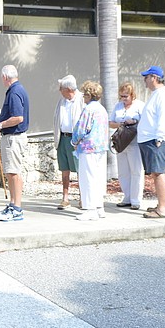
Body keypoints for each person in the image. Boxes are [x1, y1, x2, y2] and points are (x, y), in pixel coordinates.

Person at [0, 64, 30, 222]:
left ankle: (17, 208)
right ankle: (13, 204)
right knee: (10, 172)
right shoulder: (17, 90)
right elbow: (11, 113)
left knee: (13, 172)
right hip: (12, 137)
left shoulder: (14, 92)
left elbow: (18, 117)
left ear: (5, 77)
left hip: (14, 137)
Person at [136, 65, 165, 218]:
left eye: (146, 77)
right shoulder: (156, 94)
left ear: (154, 78)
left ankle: (162, 209)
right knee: (155, 173)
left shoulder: (163, 95)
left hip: (157, 140)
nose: (144, 80)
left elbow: (164, 118)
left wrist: (159, 138)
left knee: (158, 172)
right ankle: (160, 204)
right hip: (150, 139)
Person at [71, 81, 109, 220]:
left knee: (87, 178)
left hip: (88, 148)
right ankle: (99, 207)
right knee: (98, 178)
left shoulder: (88, 110)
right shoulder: (102, 109)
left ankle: (90, 209)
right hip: (101, 148)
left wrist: (74, 141)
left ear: (88, 95)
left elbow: (81, 129)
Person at [109, 81, 145, 210]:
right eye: (121, 96)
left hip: (134, 142)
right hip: (121, 142)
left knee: (136, 171)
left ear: (132, 95)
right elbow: (110, 122)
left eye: (126, 96)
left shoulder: (140, 105)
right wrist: (121, 124)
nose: (123, 99)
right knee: (123, 172)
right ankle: (127, 197)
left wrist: (134, 121)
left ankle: (136, 200)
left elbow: (145, 122)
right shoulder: (118, 106)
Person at [53, 75, 83, 209]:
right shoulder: (62, 101)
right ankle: (65, 198)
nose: (60, 91)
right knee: (64, 169)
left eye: (62, 89)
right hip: (62, 138)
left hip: (76, 139)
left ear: (69, 89)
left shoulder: (81, 100)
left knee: (79, 169)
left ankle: (83, 197)